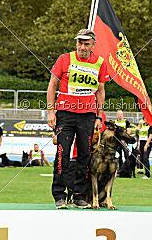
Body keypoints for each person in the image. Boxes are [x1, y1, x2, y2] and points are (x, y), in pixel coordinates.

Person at [47, 29, 109, 209]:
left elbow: (101, 91)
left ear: (93, 45)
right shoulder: (64, 59)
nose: (82, 46)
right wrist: (51, 112)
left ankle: (79, 196)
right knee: (62, 155)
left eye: (86, 43)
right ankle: (59, 196)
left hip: (88, 115)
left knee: (84, 156)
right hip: (65, 114)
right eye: (79, 42)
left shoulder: (100, 62)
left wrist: (99, 116)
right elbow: (52, 85)